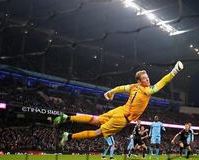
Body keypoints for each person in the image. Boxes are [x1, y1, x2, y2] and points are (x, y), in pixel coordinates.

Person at [53, 61, 184, 146]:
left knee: (95, 119)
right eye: (144, 78)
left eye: (147, 77)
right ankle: (69, 136)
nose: (147, 79)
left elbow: (121, 87)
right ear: (139, 81)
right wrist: (174, 71)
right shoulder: (147, 91)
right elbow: (163, 82)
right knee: (97, 132)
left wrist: (111, 92)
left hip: (119, 110)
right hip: (122, 118)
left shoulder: (133, 86)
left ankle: (67, 117)